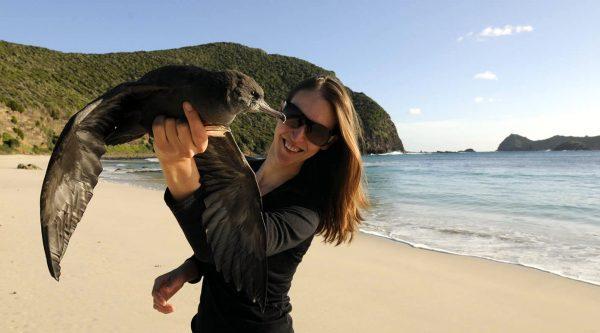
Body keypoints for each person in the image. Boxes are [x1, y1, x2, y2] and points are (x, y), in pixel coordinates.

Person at [150, 75, 369, 332]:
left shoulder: (306, 209)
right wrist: (189, 269)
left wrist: (174, 165)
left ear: (328, 143)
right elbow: (215, 231)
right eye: (294, 117)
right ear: (281, 110)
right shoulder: (238, 170)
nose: (298, 135)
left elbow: (237, 244)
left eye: (317, 132)